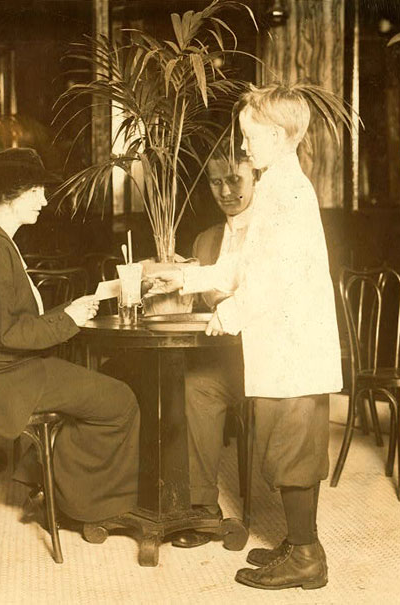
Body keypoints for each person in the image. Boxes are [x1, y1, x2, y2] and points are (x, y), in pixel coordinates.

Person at [148, 85, 343, 590]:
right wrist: (186, 279)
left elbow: (274, 277)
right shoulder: (279, 185)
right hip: (285, 344)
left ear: (277, 135)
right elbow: (245, 265)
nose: (243, 144)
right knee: (288, 447)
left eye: (250, 135)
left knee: (294, 450)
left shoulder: (288, 192)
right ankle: (301, 544)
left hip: (294, 345)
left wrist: (231, 314)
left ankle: (306, 556)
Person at [0, 147, 139, 524]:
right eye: (35, 191)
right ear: (9, 195)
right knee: (120, 400)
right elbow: (4, 332)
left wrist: (67, 313)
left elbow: (6, 323)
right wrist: (66, 320)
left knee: (105, 390)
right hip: (1, 379)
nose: (44, 200)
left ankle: (47, 481)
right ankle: (82, 506)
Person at [171, 148, 255, 548]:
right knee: (194, 386)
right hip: (224, 359)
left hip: (266, 359)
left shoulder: (270, 231)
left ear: (254, 177)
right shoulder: (206, 240)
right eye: (215, 181)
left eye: (234, 180)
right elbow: (196, 299)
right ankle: (202, 508)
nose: (225, 190)